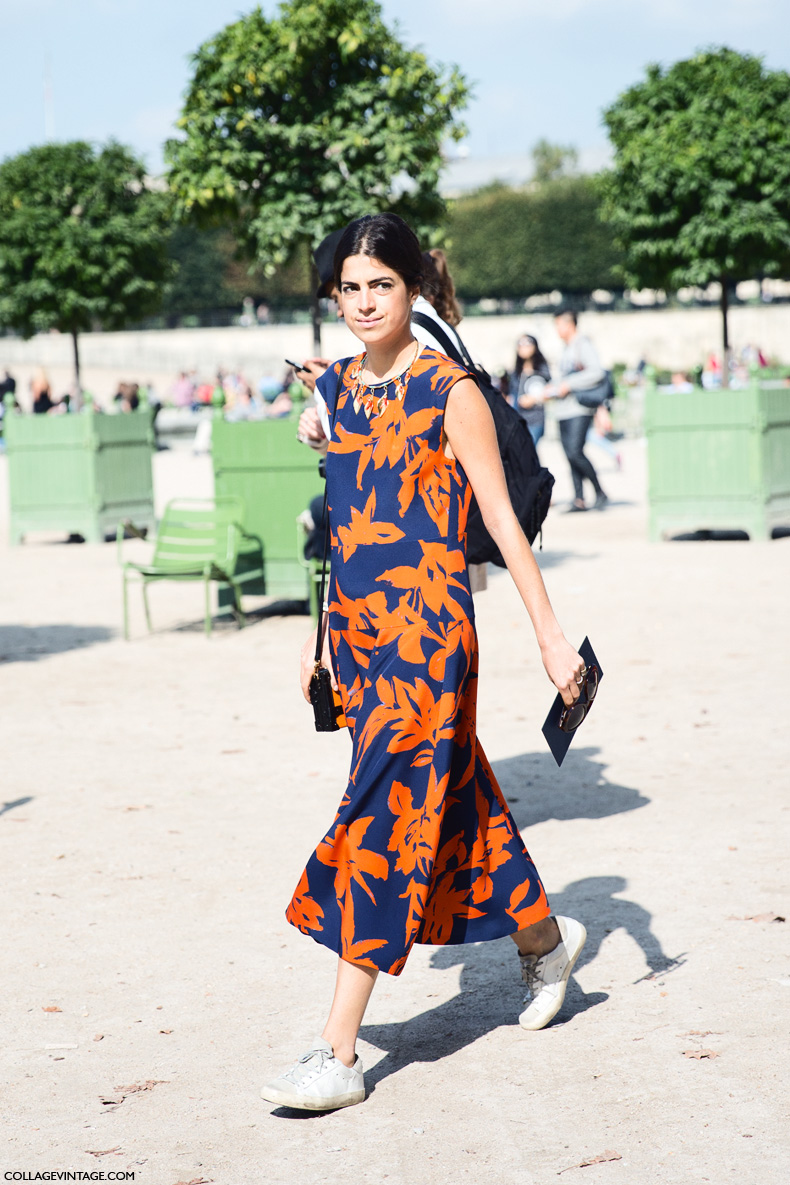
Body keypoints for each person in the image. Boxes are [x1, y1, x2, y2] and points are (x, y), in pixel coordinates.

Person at [260, 212, 589, 1112]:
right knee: (460, 804)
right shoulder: (331, 391)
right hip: (361, 642)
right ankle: (545, 943)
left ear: (414, 291)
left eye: (383, 286)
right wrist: (320, 629)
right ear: (334, 297)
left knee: (383, 815)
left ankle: (337, 1052)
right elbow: (341, 522)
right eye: (352, 288)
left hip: (430, 641)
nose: (367, 301)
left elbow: (506, 528)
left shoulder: (453, 392)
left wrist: (551, 635)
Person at [544, 310, 608, 512]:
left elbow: (597, 372)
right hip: (563, 409)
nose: (556, 330)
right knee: (569, 455)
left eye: (558, 325)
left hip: (579, 407)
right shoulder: (566, 349)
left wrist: (569, 384)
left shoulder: (583, 345)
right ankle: (579, 498)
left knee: (575, 451)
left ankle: (600, 492)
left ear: (568, 324)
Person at [512, 334, 551, 447]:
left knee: (530, 449)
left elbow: (551, 390)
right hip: (518, 418)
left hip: (535, 418)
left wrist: (534, 399)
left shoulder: (542, 368)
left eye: (527, 344)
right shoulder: (516, 371)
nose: (524, 347)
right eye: (521, 344)